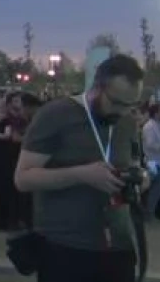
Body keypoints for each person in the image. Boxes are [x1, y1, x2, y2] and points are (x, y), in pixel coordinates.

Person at [14, 54, 146, 282]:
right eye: (117, 103)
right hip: (66, 248)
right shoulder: (55, 115)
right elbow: (23, 179)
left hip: (119, 245)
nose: (124, 111)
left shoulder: (126, 121)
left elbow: (134, 164)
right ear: (97, 87)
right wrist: (82, 175)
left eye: (131, 104)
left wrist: (140, 178)